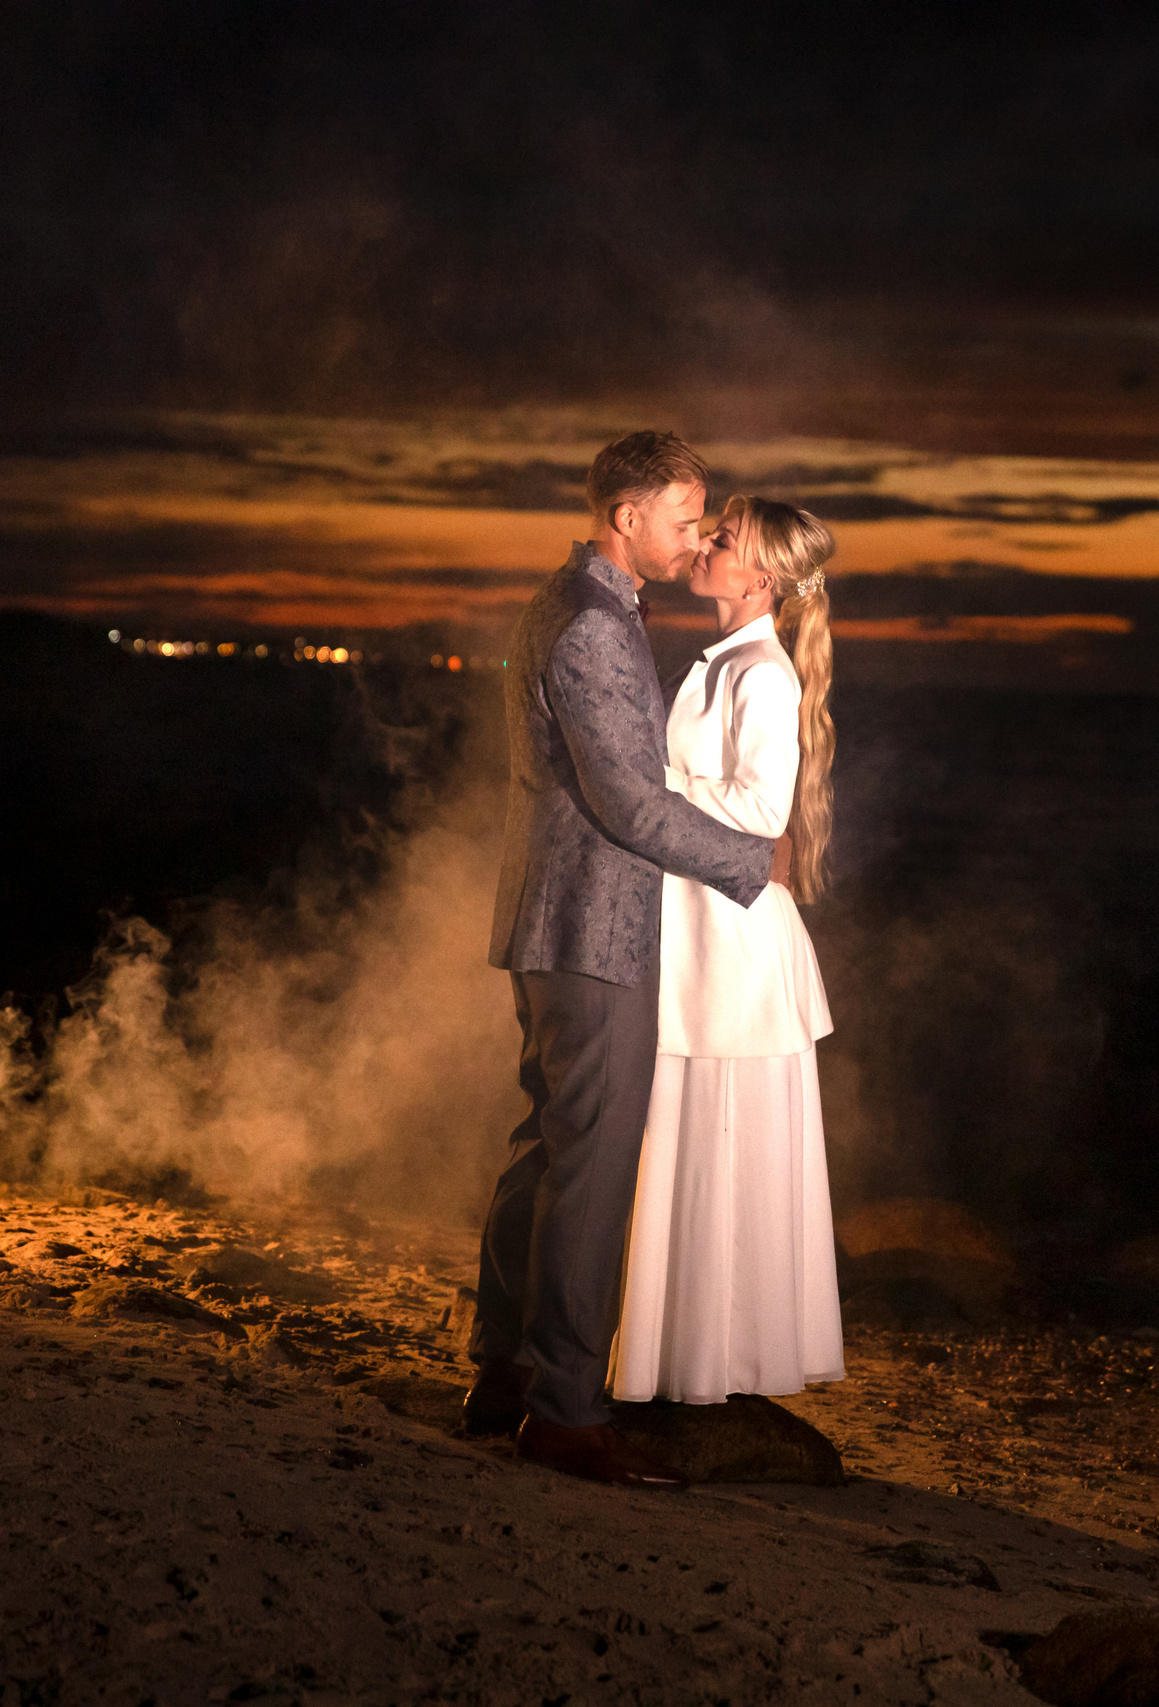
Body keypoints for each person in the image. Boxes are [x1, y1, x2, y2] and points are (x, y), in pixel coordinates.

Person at [469, 431, 789, 1488]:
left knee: (547, 1145)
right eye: (686, 516)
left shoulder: (575, 605)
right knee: (593, 1168)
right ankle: (564, 1410)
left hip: (554, 921)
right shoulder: (593, 627)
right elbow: (628, 804)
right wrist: (755, 860)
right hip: (593, 928)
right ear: (628, 517)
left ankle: (505, 1371)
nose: (697, 534)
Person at [612, 497, 845, 1405]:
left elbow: (756, 815)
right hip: (704, 941)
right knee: (692, 1150)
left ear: (763, 578)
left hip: (734, 956)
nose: (706, 544)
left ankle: (719, 1368)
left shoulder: (765, 675)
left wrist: (645, 775)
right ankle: (682, 1363)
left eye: (725, 539)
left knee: (722, 1153)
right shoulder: (723, 662)